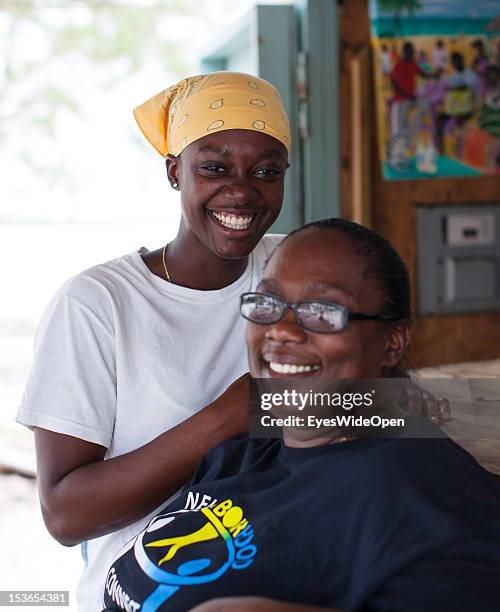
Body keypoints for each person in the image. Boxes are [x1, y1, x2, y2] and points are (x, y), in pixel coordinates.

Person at [102, 219, 500, 612]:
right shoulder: (246, 453)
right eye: (268, 304)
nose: (282, 330)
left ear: (392, 342)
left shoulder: (419, 490)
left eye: (322, 311)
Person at [15, 72, 291, 611]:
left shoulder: (297, 269)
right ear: (174, 172)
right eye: (214, 167)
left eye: (266, 171)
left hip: (284, 563)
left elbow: (374, 404)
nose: (242, 190)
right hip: (148, 585)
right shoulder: (98, 304)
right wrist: (230, 416)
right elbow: (66, 516)